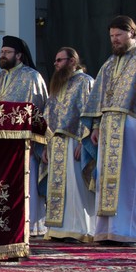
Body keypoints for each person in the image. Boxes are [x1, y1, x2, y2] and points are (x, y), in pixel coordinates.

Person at [83, 15, 136, 246]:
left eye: (118, 35)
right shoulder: (109, 63)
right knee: (109, 182)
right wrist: (96, 126)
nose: (114, 40)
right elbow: (98, 97)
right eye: (111, 36)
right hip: (109, 128)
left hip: (134, 127)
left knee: (134, 180)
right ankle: (110, 231)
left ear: (132, 33)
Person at [0, 35, 48, 235]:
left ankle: (29, 225)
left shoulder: (32, 76)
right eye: (2, 52)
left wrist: (35, 139)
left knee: (25, 183)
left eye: (7, 52)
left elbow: (40, 110)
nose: (3, 56)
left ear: (19, 55)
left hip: (23, 142)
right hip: (0, 143)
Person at [42, 46, 96, 241]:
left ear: (72, 61)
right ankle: (59, 229)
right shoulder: (58, 85)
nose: (56, 64)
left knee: (76, 187)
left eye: (60, 60)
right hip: (56, 142)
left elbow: (89, 111)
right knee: (58, 187)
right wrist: (47, 144)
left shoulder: (85, 82)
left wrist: (85, 140)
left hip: (75, 141)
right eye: (55, 61)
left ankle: (80, 229)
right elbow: (48, 116)